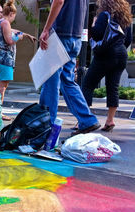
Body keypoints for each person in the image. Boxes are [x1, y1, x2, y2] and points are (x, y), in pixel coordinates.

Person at [39, 0, 100, 136]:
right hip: (75, 37)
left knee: (51, 82)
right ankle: (87, 120)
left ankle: (45, 127)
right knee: (67, 81)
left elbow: (59, 1)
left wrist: (46, 29)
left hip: (61, 34)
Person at [82, 0, 132, 132]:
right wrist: (118, 49)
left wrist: (93, 24)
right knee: (113, 87)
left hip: (105, 55)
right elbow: (128, 39)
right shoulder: (126, 18)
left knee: (88, 84)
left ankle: (84, 120)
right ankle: (110, 120)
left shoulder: (104, 15)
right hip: (121, 55)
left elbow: (97, 34)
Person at [0, 0, 36, 121]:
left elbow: (13, 31)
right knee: (2, 88)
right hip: (4, 59)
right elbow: (10, 40)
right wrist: (19, 37)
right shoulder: (5, 23)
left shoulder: (0, 23)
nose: (13, 19)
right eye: (14, 16)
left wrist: (26, 35)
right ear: (11, 14)